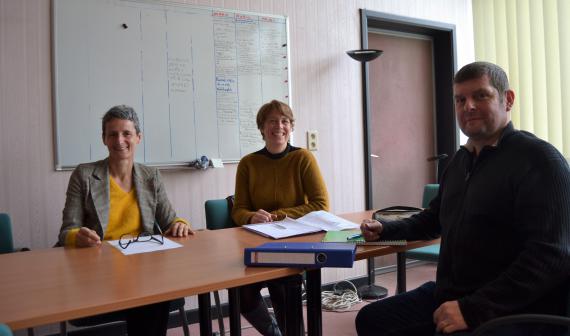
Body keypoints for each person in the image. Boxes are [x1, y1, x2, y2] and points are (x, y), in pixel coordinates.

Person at [355, 61, 570, 336]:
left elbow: (551, 256)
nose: (468, 106)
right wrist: (386, 229)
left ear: (508, 100)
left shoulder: (540, 161)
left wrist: (473, 309)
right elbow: (433, 218)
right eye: (460, 99)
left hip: (514, 308)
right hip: (451, 295)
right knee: (372, 320)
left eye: (481, 95)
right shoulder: (460, 161)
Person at [57, 105, 193, 336]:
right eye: (112, 134)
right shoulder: (84, 175)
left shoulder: (151, 176)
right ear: (104, 139)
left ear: (138, 138)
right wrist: (77, 236)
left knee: (155, 294)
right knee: (149, 299)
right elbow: (67, 231)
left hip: (142, 266)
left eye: (126, 133)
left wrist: (180, 223)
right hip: (99, 268)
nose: (119, 140)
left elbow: (170, 219)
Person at [232, 99, 330, 335]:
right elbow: (238, 210)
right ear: (262, 128)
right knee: (241, 293)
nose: (279, 126)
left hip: (294, 242)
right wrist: (252, 216)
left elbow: (321, 205)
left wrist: (279, 215)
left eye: (285, 121)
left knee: (284, 285)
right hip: (258, 242)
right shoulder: (248, 164)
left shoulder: (303, 158)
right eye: (272, 121)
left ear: (291, 126)